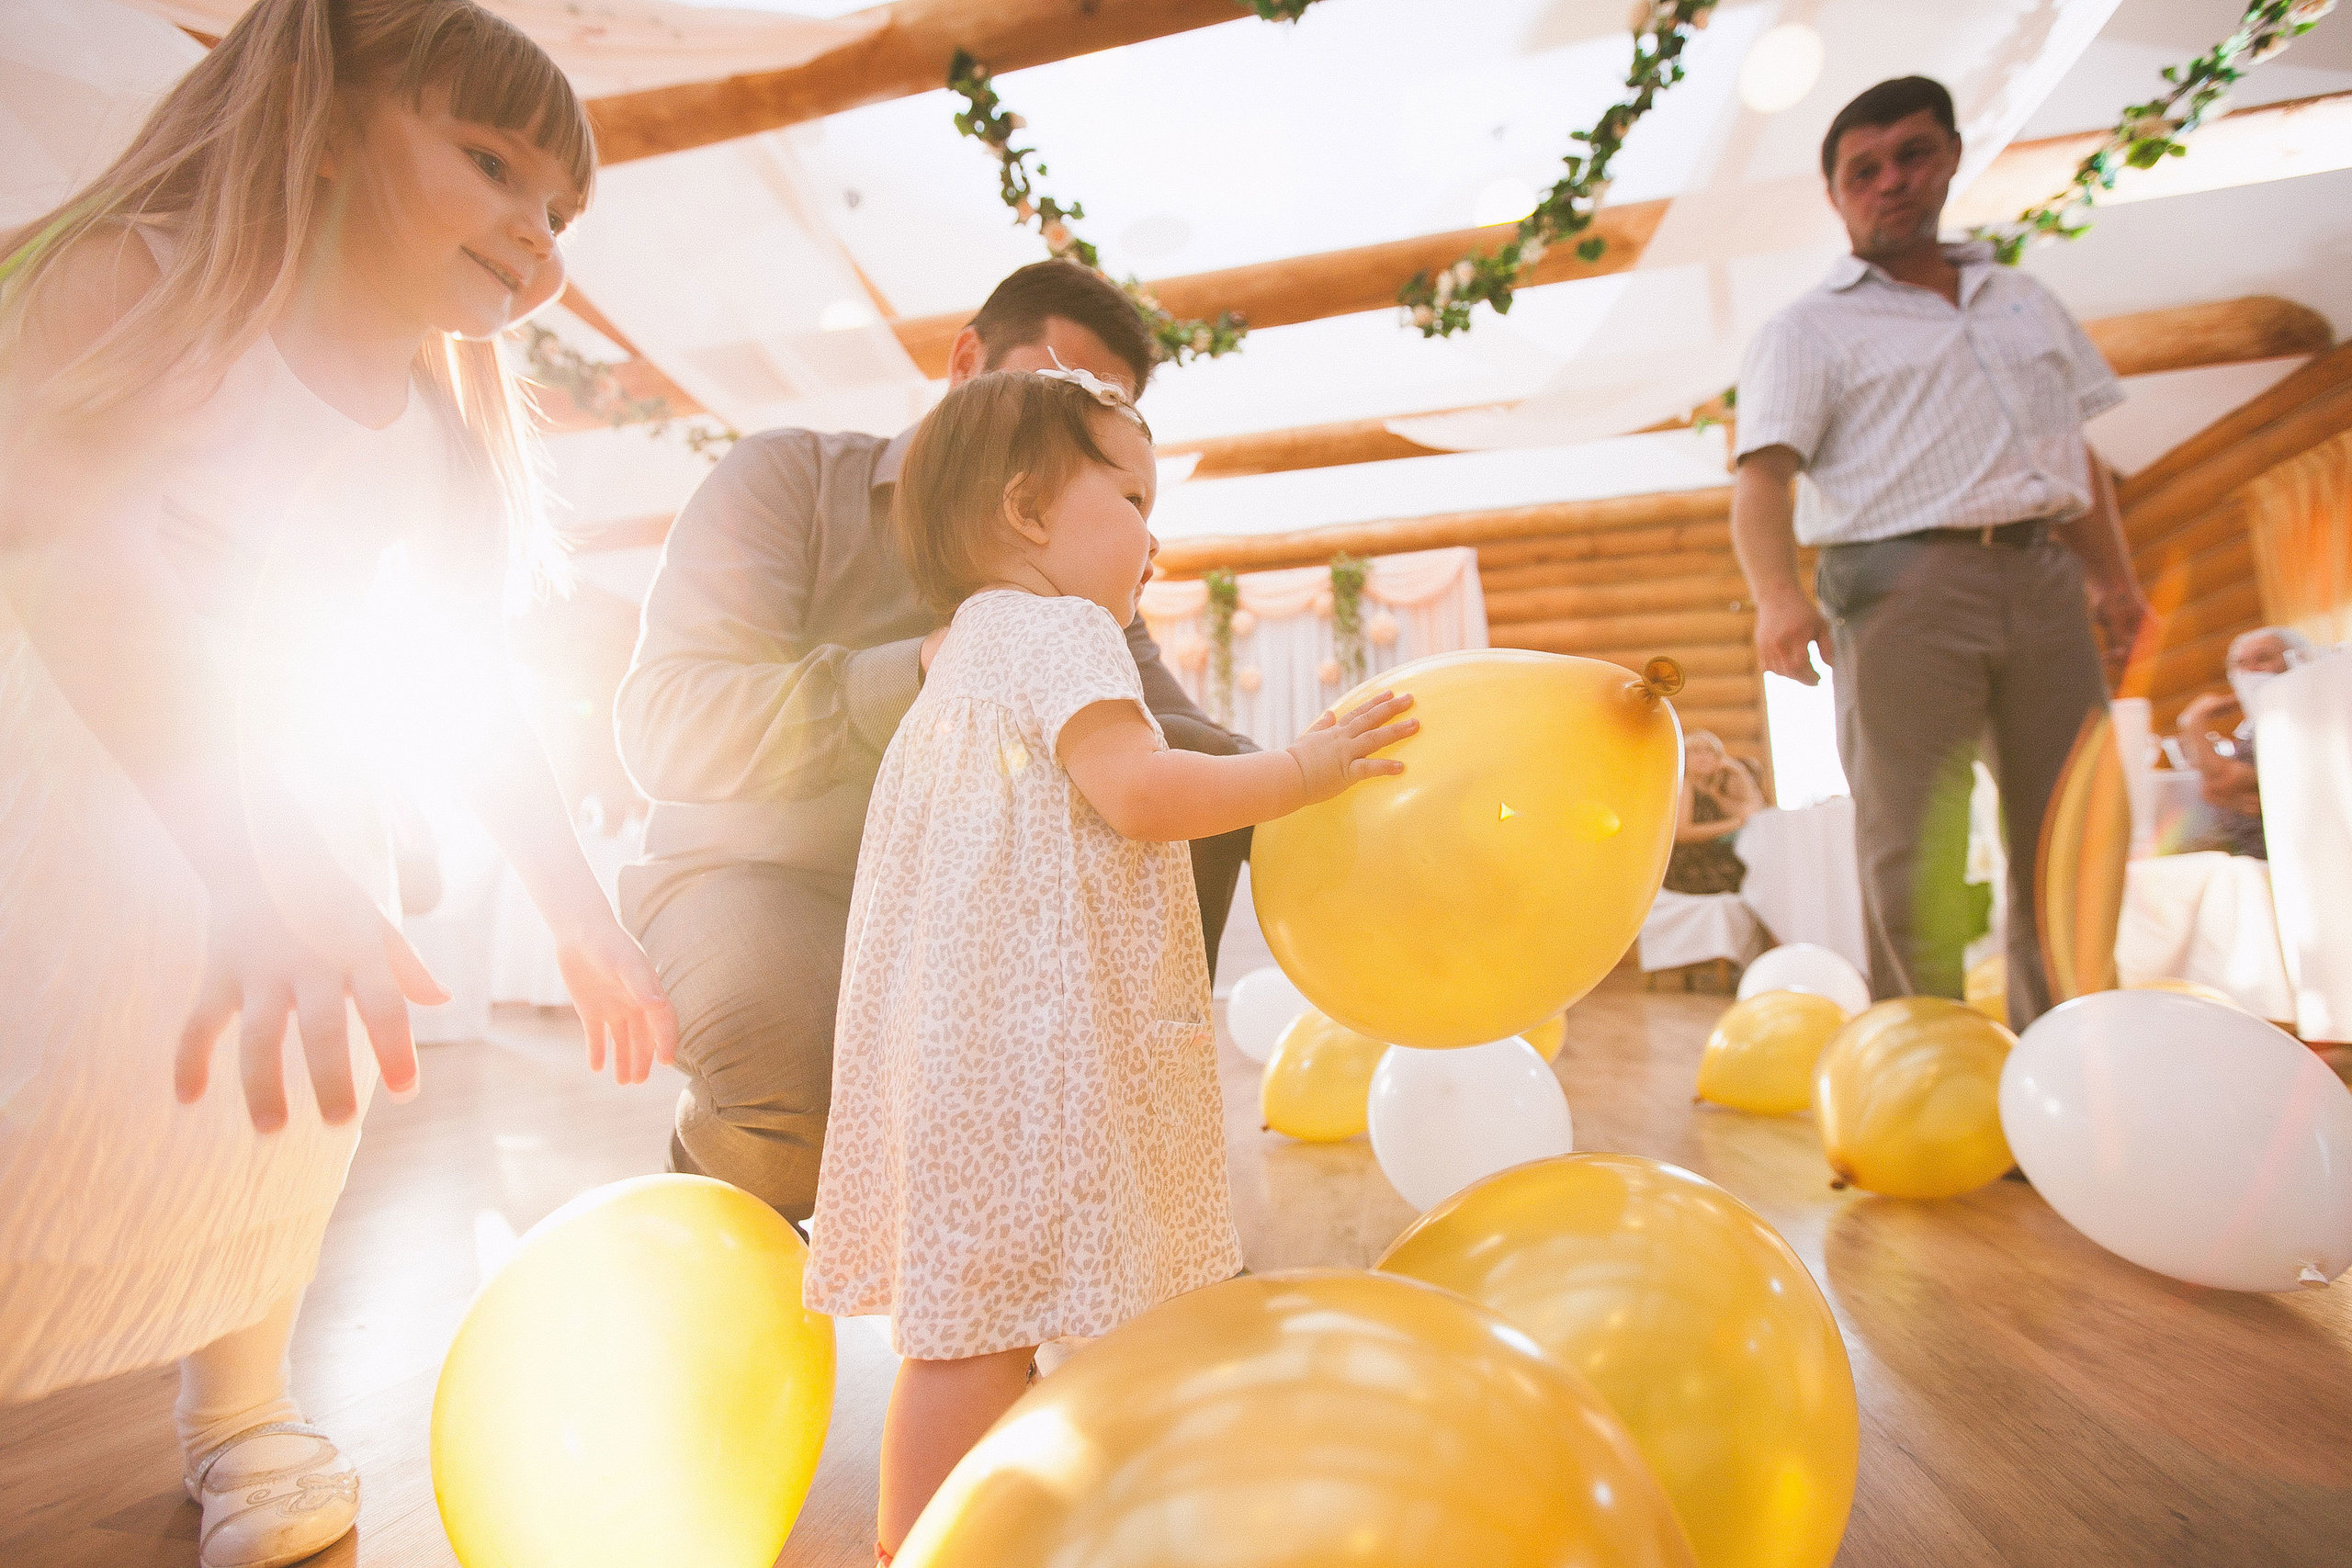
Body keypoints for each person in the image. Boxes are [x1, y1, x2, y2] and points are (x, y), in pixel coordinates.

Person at [0, 6, 676, 1565]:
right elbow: (79, 568)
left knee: (270, 1116)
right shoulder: (142, 283)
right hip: (83, 764)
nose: (534, 232)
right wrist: (247, 865)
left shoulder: (428, 438)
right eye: (492, 162)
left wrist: (581, 911)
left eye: (559, 212)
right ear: (319, 118)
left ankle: (243, 1407)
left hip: (285, 792)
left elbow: (475, 687)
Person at [798, 367, 1417, 1562]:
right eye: (1131, 493)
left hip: (954, 1043)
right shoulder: (1066, 629)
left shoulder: (959, 650)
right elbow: (1138, 790)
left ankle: (913, 1545)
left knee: (965, 1322)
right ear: (1030, 510)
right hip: (1036, 1046)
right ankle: (1111, 1507)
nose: (1155, 531)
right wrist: (1303, 769)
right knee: (1056, 1296)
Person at [615, 260, 1254, 1226]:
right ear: (966, 362)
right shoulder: (788, 479)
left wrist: (1327, 771)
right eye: (1046, 388)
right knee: (796, 1094)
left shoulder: (1074, 577)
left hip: (961, 902)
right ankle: (716, 1189)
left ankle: (1096, 1200)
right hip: (754, 873)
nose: (1063, 442)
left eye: (1093, 423)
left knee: (1189, 784)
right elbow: (666, 724)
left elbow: (1184, 744)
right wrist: (920, 670)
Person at [1728, 75, 2150, 1029]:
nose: (1891, 182)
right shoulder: (1807, 327)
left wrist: (2114, 582)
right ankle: (1928, 1066)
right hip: (1898, 586)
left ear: (1950, 157)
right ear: (1837, 196)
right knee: (1914, 841)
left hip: (2045, 577)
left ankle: (2073, 1056)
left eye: (1912, 155)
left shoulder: (2024, 299)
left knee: (2073, 831)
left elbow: (2071, 451)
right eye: (1862, 170)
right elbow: (1760, 480)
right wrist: (1775, 598)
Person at [2169, 626, 2319, 858]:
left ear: (2299, 660)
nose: (2250, 672)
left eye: (2263, 659)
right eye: (2240, 665)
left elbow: (2222, 783)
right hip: (2232, 847)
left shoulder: (2302, 718)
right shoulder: (2256, 725)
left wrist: (2193, 721)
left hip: (2261, 855)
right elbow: (2214, 790)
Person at [1663, 728, 1762, 894]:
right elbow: (1681, 833)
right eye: (1695, 751)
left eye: (1710, 751)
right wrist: (1734, 824)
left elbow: (1753, 811)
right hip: (1687, 865)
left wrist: (1740, 771)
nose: (1703, 756)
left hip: (1708, 859)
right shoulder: (1685, 786)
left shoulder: (1710, 790)